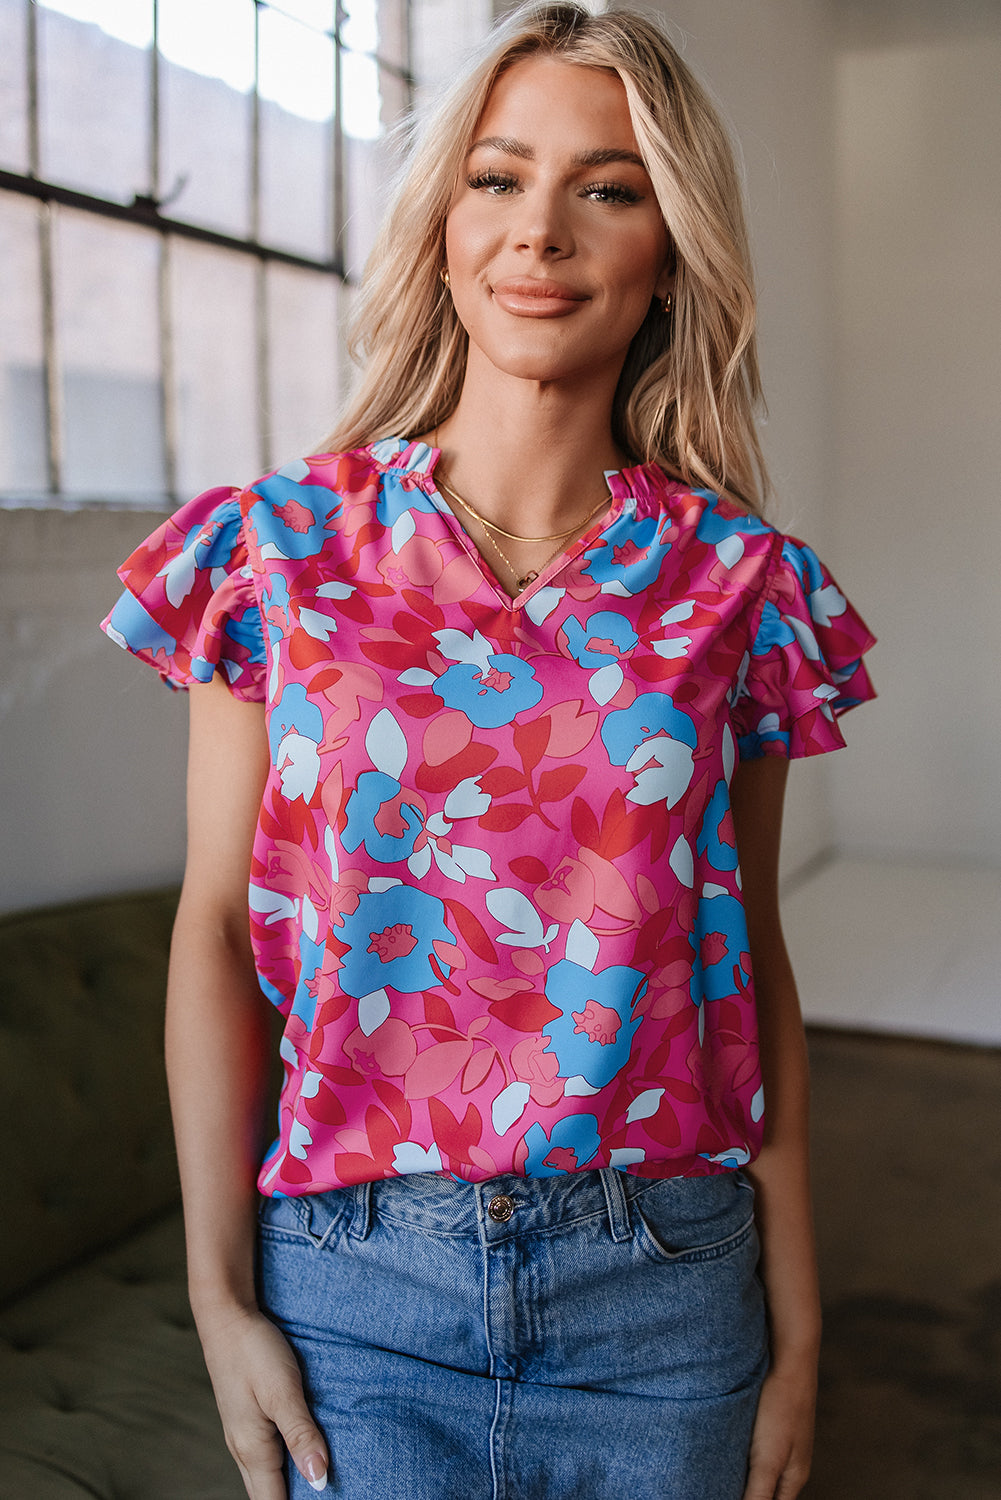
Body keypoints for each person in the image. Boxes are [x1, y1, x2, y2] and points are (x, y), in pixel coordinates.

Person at [102, 5, 875, 1498]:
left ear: (668, 252)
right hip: (355, 1286)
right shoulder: (273, 552)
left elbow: (742, 960)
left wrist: (797, 1327)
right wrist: (218, 1299)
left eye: (607, 187)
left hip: (662, 1282)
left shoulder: (743, 586)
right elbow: (213, 927)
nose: (542, 233)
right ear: (441, 224)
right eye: (496, 178)